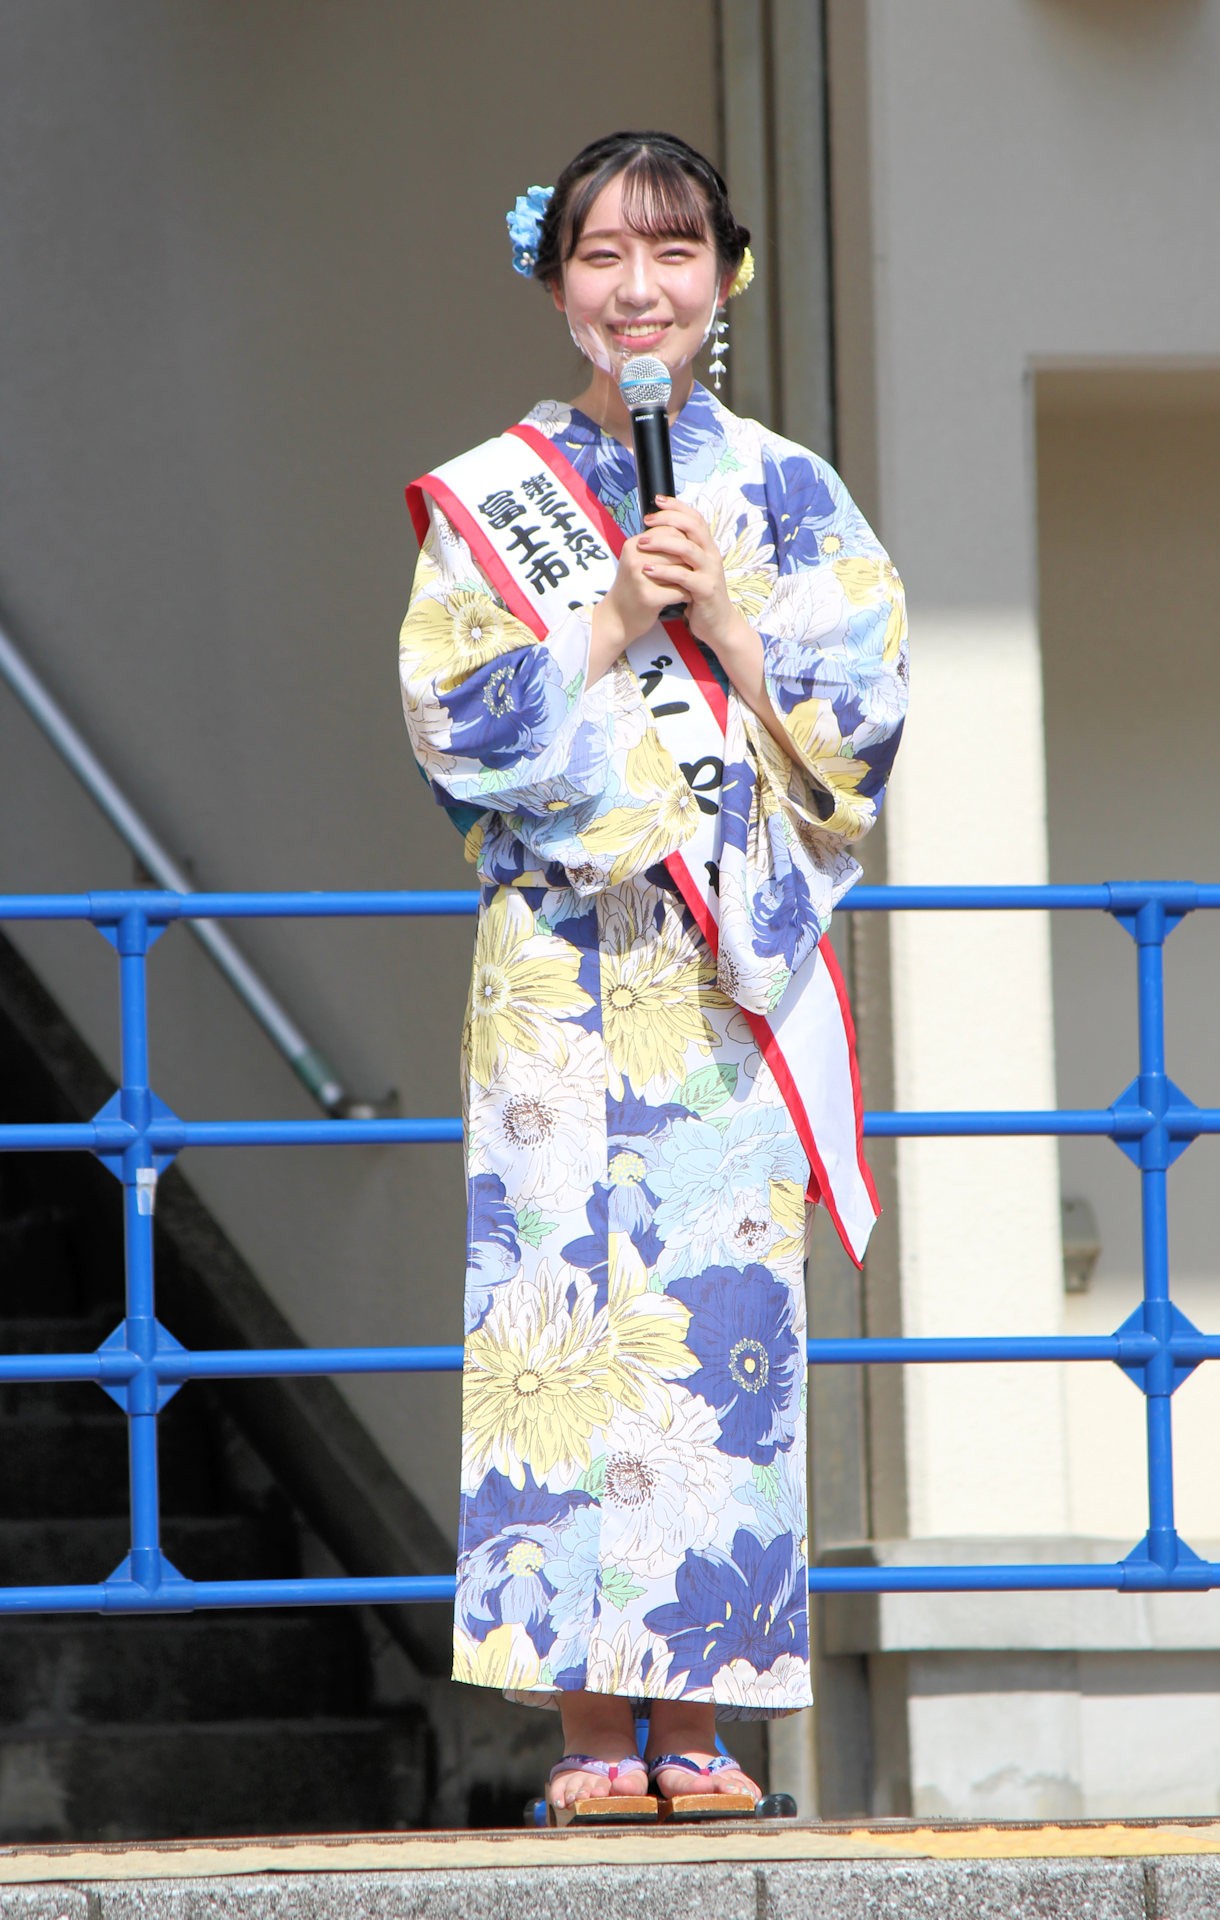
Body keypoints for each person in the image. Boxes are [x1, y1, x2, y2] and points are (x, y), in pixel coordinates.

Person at [399, 130, 908, 1816]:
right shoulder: (498, 495)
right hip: (557, 967)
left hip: (721, 965)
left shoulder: (789, 491)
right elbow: (456, 728)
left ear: (726, 279)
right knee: (558, 1319)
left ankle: (700, 1721)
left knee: (719, 1328)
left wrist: (739, 637)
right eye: (606, 259)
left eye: (674, 255)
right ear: (558, 287)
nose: (640, 291)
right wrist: (611, 616)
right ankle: (587, 1734)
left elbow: (866, 727)